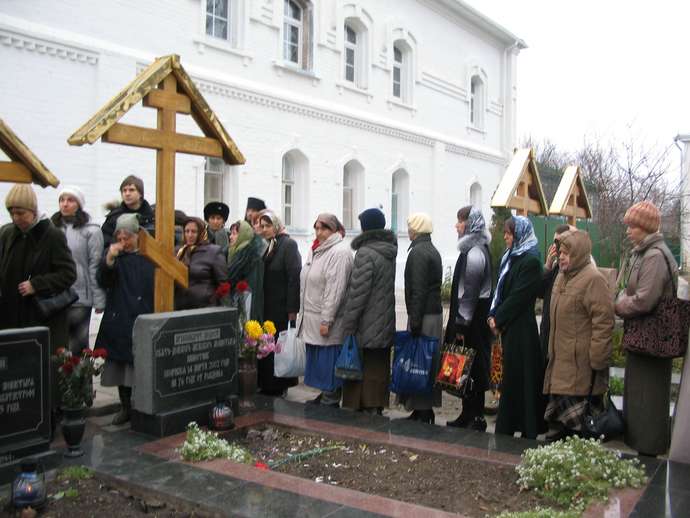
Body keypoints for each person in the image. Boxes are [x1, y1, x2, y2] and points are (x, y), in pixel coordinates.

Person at [0, 184, 77, 418]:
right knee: (16, 372)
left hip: (44, 319)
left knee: (43, 371)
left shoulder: (51, 235)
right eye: (12, 212)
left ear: (33, 210)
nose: (16, 217)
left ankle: (47, 418)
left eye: (21, 212)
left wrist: (37, 284)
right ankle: (19, 419)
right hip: (11, 317)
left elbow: (68, 274)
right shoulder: (7, 233)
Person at [615, 201, 677, 456]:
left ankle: (648, 452)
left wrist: (618, 303)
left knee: (648, 399)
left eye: (632, 226)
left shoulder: (654, 257)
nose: (628, 231)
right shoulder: (645, 253)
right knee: (641, 398)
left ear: (645, 227)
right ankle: (643, 447)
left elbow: (644, 300)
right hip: (645, 340)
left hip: (651, 341)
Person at [543, 229, 614, 441]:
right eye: (560, 252)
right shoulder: (561, 277)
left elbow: (603, 321)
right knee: (557, 430)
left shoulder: (593, 279)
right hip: (559, 365)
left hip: (581, 368)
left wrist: (598, 359)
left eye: (566, 253)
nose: (561, 257)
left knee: (577, 433)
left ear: (579, 254)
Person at [487, 216, 546, 439]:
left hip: (522, 330)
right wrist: (492, 315)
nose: (505, 237)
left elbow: (519, 296)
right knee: (509, 381)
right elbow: (500, 291)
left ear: (520, 234)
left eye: (509, 233)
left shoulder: (530, 261)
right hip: (509, 327)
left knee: (520, 380)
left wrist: (498, 319)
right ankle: (508, 424)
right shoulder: (510, 258)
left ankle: (526, 426)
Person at [95, 214, 154, 425]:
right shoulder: (115, 257)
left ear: (137, 236)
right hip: (119, 315)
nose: (123, 241)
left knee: (139, 365)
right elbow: (103, 280)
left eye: (127, 236)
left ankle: (141, 407)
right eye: (119, 236)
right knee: (121, 365)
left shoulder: (148, 257)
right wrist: (109, 259)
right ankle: (125, 406)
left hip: (141, 314)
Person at [341, 208, 397, 414]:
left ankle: (361, 406)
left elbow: (358, 293)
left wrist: (349, 324)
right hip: (384, 319)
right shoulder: (389, 251)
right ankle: (377, 405)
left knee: (361, 364)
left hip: (366, 321)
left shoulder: (365, 253)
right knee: (379, 365)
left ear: (365, 227)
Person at [298, 214, 353, 408]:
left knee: (328, 358)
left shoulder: (339, 252)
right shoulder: (317, 249)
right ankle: (325, 393)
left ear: (334, 230)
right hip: (312, 314)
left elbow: (335, 289)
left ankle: (331, 398)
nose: (319, 232)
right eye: (317, 228)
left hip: (326, 317)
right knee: (319, 360)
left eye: (324, 229)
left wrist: (326, 320)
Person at [445, 207, 493, 431]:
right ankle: (467, 413)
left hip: (472, 322)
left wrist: (461, 323)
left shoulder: (475, 253)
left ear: (471, 224)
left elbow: (470, 292)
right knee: (467, 366)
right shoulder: (473, 249)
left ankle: (476, 416)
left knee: (473, 368)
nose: (457, 225)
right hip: (473, 321)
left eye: (460, 221)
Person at [398, 213, 443, 424]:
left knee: (420, 361)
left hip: (423, 316)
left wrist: (414, 322)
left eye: (410, 227)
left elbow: (417, 290)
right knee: (428, 362)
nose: (408, 230)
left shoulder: (418, 253)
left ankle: (422, 410)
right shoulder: (431, 249)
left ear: (416, 229)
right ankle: (422, 408)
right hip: (432, 313)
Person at [51, 185, 106, 355]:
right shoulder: (51, 228)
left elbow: (94, 265)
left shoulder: (91, 231)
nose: (65, 204)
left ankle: (80, 382)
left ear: (79, 205)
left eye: (70, 200)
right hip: (55, 296)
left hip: (80, 297)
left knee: (77, 347)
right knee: (58, 346)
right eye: (62, 200)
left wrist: (99, 299)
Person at [257, 210, 301, 396]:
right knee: (265, 346)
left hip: (281, 306)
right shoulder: (263, 246)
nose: (264, 229)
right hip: (265, 305)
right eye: (262, 226)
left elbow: (293, 278)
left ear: (276, 226)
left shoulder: (288, 245)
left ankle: (279, 385)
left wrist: (292, 310)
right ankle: (266, 384)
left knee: (279, 347)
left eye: (268, 226)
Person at [174, 217, 228, 310]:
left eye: (194, 232)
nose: (190, 235)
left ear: (202, 233)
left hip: (205, 308)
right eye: (187, 231)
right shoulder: (179, 252)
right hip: (181, 308)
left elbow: (223, 283)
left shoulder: (213, 251)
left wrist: (222, 307)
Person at [538, 224, 573, 365]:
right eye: (555, 242)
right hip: (547, 330)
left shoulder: (573, 267)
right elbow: (540, 291)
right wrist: (547, 265)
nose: (556, 247)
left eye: (559, 242)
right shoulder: (555, 265)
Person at [227, 220, 267, 321]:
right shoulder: (234, 253)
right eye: (230, 233)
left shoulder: (251, 258)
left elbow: (253, 289)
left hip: (247, 308)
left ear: (243, 235)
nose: (230, 237)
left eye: (235, 234)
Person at [101, 175, 154, 248]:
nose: (127, 194)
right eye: (124, 190)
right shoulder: (114, 217)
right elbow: (104, 241)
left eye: (131, 190)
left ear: (140, 194)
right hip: (120, 256)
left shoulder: (152, 217)